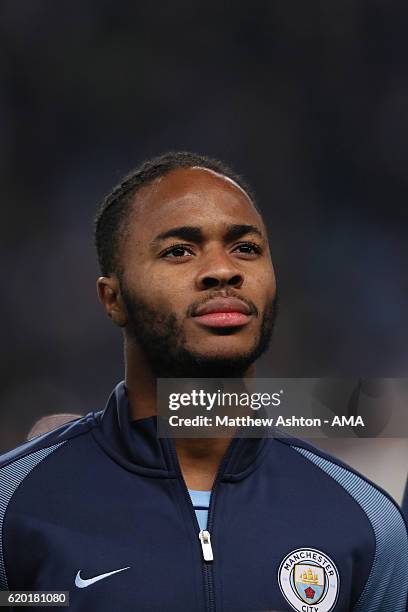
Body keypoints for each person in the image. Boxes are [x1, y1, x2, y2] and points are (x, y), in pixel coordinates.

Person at [0, 152, 406, 612]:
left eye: (246, 248)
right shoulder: (13, 509)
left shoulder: (367, 522)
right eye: (179, 251)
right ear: (112, 299)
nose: (223, 270)